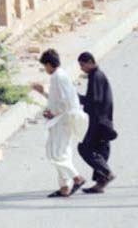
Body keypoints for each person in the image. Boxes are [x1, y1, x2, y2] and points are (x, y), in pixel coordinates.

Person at [32, 49, 89, 198]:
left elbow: (66, 101)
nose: (45, 70)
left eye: (45, 67)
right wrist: (43, 92)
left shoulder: (59, 77)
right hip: (60, 120)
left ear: (50, 64)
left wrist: (53, 113)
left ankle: (77, 178)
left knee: (55, 154)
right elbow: (56, 99)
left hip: (62, 121)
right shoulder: (59, 76)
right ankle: (64, 187)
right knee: (62, 154)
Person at [77, 51, 117, 194]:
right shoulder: (96, 76)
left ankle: (107, 172)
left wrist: (77, 98)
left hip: (98, 122)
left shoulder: (96, 76)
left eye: (82, 65)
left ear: (89, 62)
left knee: (84, 148)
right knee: (100, 151)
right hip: (103, 122)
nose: (82, 68)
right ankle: (100, 183)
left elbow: (94, 101)